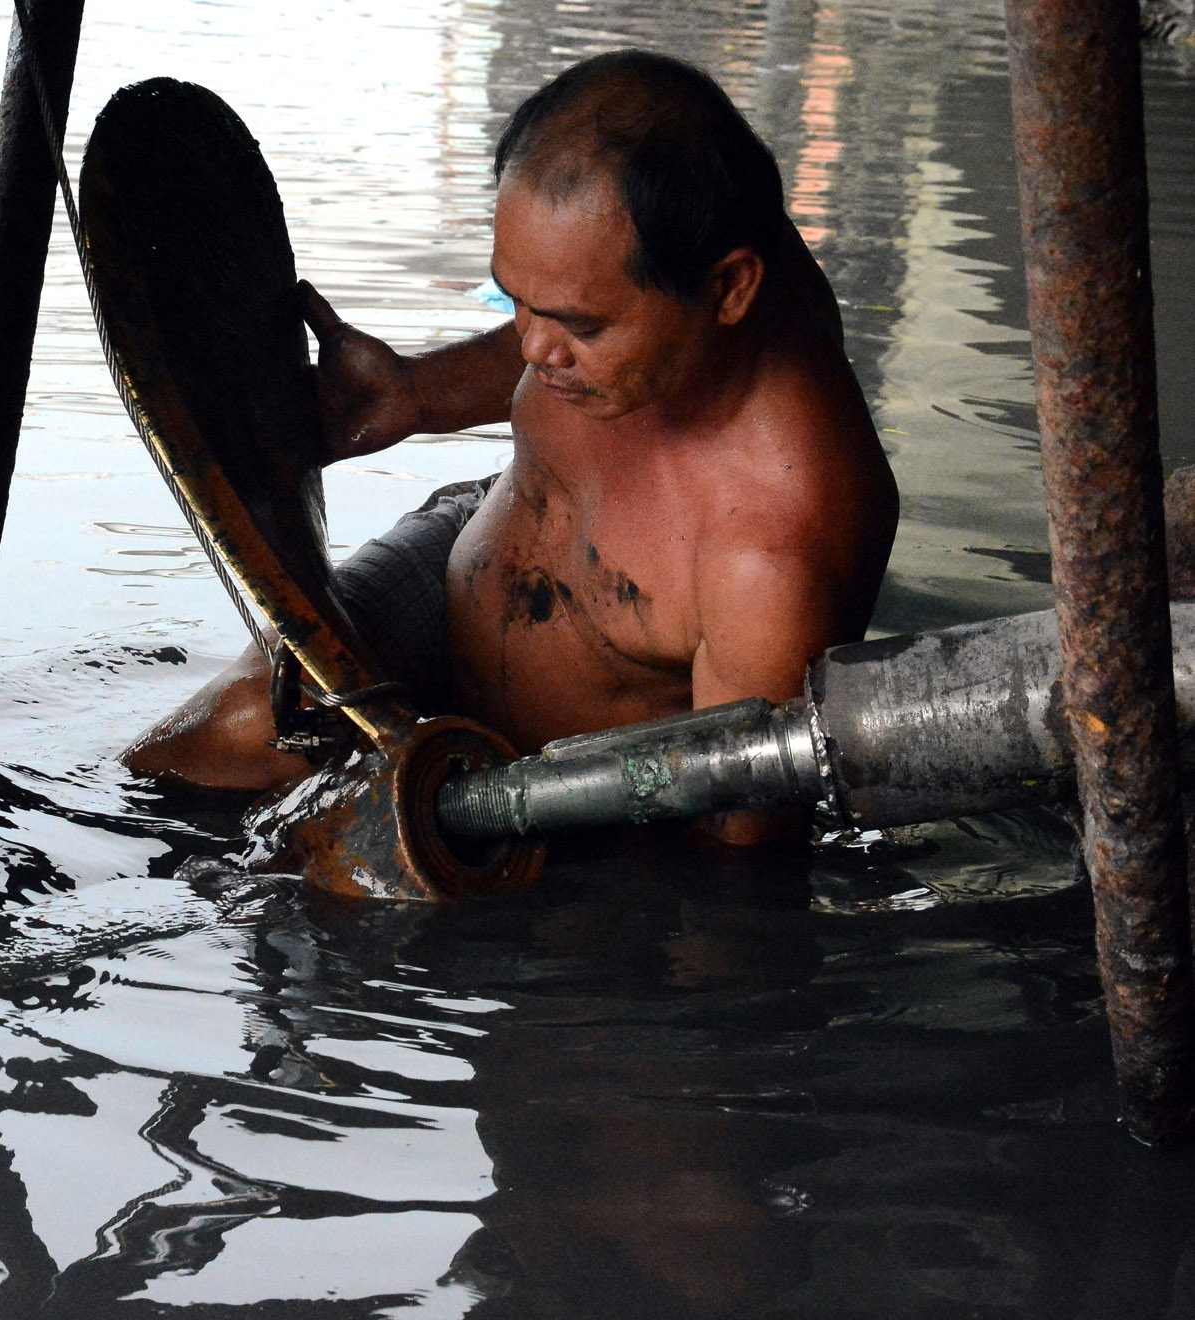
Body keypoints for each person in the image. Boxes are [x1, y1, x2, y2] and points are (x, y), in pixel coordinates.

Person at [126, 50, 899, 846]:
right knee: (232, 731)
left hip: (550, 791)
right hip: (465, 551)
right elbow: (567, 302)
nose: (532, 348)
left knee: (316, 875)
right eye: (517, 302)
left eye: (579, 327)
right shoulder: (688, 244)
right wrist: (418, 392)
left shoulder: (772, 554)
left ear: (731, 290)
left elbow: (734, 869)